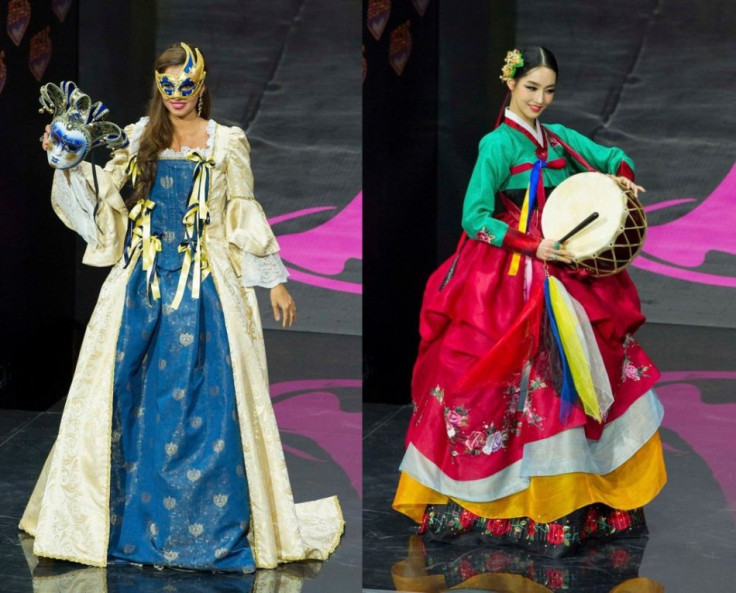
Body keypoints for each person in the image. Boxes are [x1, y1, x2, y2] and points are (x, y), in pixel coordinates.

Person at [20, 42, 343, 572]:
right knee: (126, 396)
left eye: (185, 85)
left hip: (205, 286)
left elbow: (241, 211)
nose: (176, 96)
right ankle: (116, 517)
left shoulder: (225, 143)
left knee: (206, 406)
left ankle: (208, 522)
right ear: (157, 86)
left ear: (201, 84)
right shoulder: (136, 139)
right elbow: (110, 206)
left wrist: (273, 281)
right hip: (142, 284)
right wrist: (70, 163)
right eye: (166, 86)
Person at [393, 46, 666, 557]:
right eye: (531, 88)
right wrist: (530, 244)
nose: (540, 99)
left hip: (561, 258)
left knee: (573, 373)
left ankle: (574, 497)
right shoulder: (496, 144)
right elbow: (474, 217)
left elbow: (610, 158)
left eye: (548, 90)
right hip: (512, 267)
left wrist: (621, 176)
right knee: (509, 376)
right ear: (511, 86)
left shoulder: (560, 138)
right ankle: (505, 501)